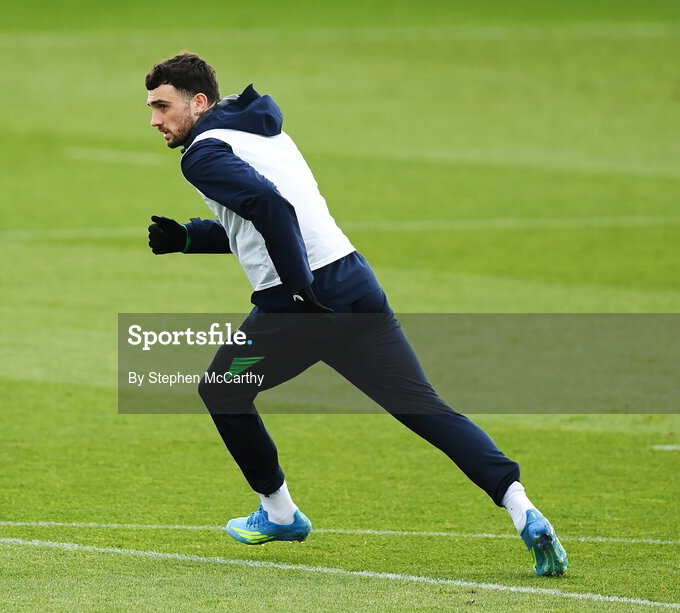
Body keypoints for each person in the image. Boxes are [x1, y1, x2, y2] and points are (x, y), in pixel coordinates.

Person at [142, 52, 569, 577]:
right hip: (354, 283)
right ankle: (523, 508)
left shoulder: (202, 155)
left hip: (299, 304)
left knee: (222, 389)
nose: (155, 120)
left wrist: (298, 293)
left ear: (199, 102)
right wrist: (189, 237)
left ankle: (280, 513)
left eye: (163, 106)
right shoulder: (261, 130)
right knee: (425, 408)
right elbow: (268, 218)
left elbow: (273, 210)